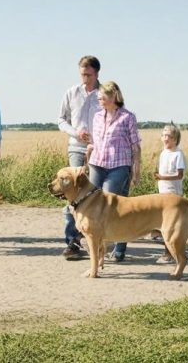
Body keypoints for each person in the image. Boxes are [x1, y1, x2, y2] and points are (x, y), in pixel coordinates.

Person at [86, 80, 141, 262]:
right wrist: (89, 153)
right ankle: (100, 250)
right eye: (99, 96)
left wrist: (136, 170)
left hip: (118, 165)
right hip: (97, 164)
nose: (100, 98)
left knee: (111, 206)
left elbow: (135, 146)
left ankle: (116, 248)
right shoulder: (96, 117)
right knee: (92, 205)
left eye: (104, 95)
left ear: (114, 96)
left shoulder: (128, 117)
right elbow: (96, 142)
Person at [57, 55, 102, 260]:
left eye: (88, 74)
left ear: (96, 73)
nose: (85, 78)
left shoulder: (105, 93)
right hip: (76, 148)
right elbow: (61, 120)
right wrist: (76, 133)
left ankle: (99, 240)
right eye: (82, 74)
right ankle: (72, 242)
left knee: (97, 194)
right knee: (72, 193)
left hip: (101, 150)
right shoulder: (71, 93)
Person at [153, 123, 188, 262]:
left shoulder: (178, 154)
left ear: (175, 139)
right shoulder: (163, 153)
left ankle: (170, 254)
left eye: (169, 136)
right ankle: (171, 252)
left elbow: (179, 175)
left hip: (173, 194)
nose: (165, 138)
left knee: (169, 226)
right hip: (163, 192)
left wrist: (162, 177)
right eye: (164, 135)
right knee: (163, 225)